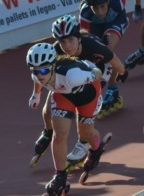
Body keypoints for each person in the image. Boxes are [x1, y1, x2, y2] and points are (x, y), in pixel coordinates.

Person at [29, 15, 128, 170]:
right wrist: (37, 94)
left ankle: (83, 141)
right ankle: (48, 132)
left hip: (97, 72)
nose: (67, 46)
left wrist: (122, 72)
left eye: (71, 40)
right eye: (62, 42)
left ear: (79, 37)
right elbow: (40, 73)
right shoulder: (56, 50)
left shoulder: (92, 45)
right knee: (47, 111)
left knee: (84, 102)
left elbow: (112, 58)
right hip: (68, 77)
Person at [26, 42, 106, 195]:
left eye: (43, 70)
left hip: (88, 95)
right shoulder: (38, 74)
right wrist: (36, 95)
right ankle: (60, 175)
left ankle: (96, 150)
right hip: (63, 95)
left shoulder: (73, 75)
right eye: (35, 71)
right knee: (60, 135)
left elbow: (98, 75)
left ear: (53, 66)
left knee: (86, 133)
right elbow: (37, 81)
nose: (40, 75)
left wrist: (92, 68)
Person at [79, 0, 132, 114]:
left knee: (109, 48)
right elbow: (86, 39)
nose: (100, 12)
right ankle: (97, 82)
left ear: (107, 2)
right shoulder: (85, 14)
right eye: (95, 8)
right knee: (95, 51)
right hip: (96, 27)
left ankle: (112, 88)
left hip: (117, 21)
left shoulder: (117, 1)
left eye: (102, 6)